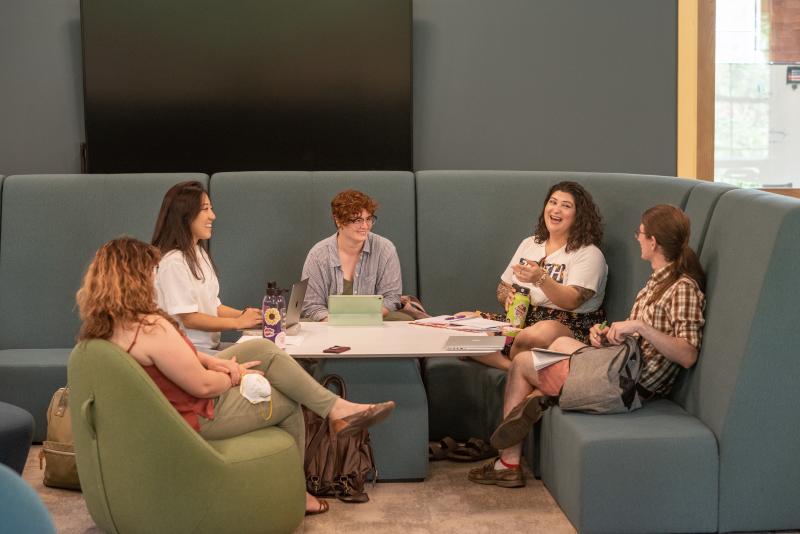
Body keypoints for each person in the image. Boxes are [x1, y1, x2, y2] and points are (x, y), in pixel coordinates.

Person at [76, 237, 395, 515]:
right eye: (149, 273)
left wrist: (215, 363)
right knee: (286, 400)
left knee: (262, 348)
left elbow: (173, 357)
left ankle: (336, 410)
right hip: (193, 415)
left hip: (169, 404)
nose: (153, 281)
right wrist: (232, 377)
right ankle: (297, 492)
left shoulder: (107, 328)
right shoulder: (150, 326)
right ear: (133, 278)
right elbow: (201, 387)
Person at [469, 204, 706, 488]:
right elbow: (639, 340)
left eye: (640, 233)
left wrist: (640, 327)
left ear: (653, 242)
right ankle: (538, 396)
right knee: (559, 342)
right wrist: (604, 334)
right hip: (620, 362)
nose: (637, 238)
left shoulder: (682, 287)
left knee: (523, 363)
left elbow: (688, 354)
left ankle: (508, 462)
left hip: (629, 383)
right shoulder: (656, 283)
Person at [473, 181, 607, 370]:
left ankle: (508, 360)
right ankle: (514, 368)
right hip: (521, 319)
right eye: (552, 202)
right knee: (463, 325)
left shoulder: (589, 253)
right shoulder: (530, 243)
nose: (556, 209)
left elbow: (572, 301)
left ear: (579, 216)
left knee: (535, 335)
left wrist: (540, 278)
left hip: (566, 325)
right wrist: (508, 296)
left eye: (566, 205)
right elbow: (503, 287)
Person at [151, 181, 261, 352]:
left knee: (266, 350)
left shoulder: (198, 252)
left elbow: (214, 306)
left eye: (211, 208)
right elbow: (189, 318)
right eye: (205, 209)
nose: (213, 216)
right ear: (184, 215)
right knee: (267, 356)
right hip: (190, 352)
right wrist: (238, 323)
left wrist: (249, 317)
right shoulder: (173, 262)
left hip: (212, 348)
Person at [301, 189, 412, 321]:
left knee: (403, 319)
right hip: (330, 325)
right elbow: (312, 305)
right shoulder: (318, 255)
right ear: (338, 221)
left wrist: (363, 320)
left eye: (368, 219)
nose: (365, 226)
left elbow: (391, 298)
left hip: (374, 321)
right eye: (357, 220)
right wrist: (338, 323)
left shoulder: (385, 249)